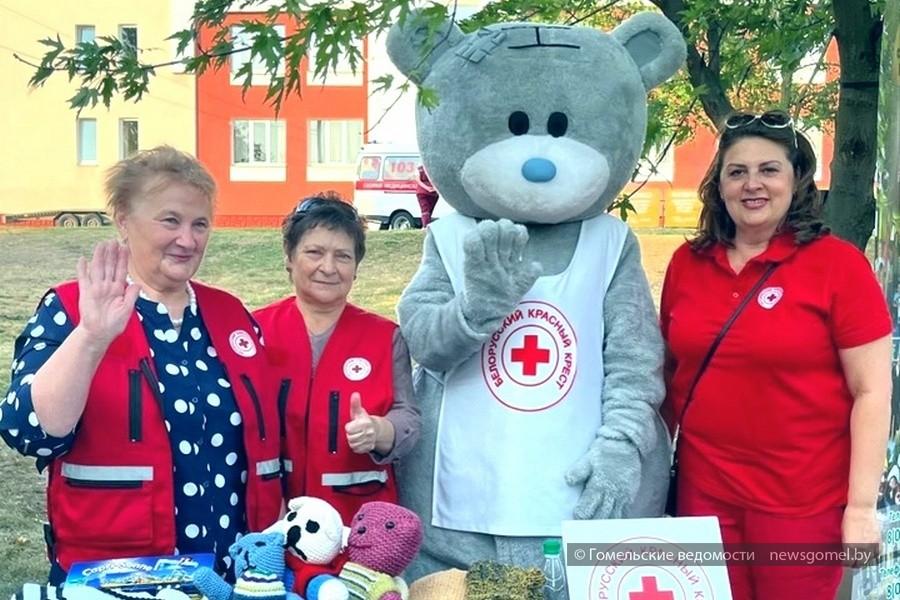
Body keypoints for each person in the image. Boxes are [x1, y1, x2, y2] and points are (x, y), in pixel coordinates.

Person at [0, 146, 283, 585]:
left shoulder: (231, 315)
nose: (186, 239)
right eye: (170, 220)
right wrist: (91, 338)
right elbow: (28, 431)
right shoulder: (70, 309)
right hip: (116, 578)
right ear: (123, 221)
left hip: (233, 576)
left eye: (199, 224)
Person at [660, 110, 891, 600]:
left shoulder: (838, 266)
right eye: (736, 171)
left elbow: (872, 390)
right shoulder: (688, 264)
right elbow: (669, 374)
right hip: (705, 496)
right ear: (718, 185)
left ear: (796, 180)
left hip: (802, 506)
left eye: (769, 170)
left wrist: (860, 509)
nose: (752, 184)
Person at [254, 191, 420, 523]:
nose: (328, 267)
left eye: (342, 256)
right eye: (314, 252)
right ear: (289, 256)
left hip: (358, 524)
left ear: (356, 266)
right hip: (272, 522)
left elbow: (409, 417)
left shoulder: (385, 336)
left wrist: (379, 430)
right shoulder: (254, 332)